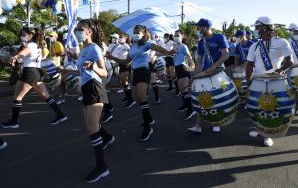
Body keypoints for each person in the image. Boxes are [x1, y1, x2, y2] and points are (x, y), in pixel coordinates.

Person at [63, 19, 114, 183]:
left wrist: (93, 67)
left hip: (94, 87)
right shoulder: (83, 49)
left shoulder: (94, 48)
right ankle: (107, 137)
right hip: (86, 87)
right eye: (76, 29)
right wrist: (64, 70)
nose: (77, 31)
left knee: (92, 127)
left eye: (80, 29)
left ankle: (102, 167)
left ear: (89, 31)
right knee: (90, 126)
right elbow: (81, 72)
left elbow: (104, 73)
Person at [107, 25, 175, 141]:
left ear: (144, 33)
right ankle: (149, 118)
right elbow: (126, 61)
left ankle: (148, 127)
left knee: (141, 97)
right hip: (135, 72)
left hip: (144, 71)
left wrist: (169, 52)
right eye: (134, 32)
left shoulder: (147, 44)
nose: (135, 34)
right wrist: (112, 57)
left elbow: (157, 48)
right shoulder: (133, 46)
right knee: (137, 99)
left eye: (138, 32)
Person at [1, 28, 68, 129]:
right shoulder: (37, 45)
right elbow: (25, 56)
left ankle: (14, 122)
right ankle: (61, 115)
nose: (22, 35)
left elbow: (24, 53)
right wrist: (18, 57)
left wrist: (16, 56)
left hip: (29, 73)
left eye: (24, 34)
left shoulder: (31, 45)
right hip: (36, 72)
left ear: (31, 35)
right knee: (46, 96)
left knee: (17, 98)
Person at [246, 16, 293, 147]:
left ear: (265, 27)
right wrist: (248, 80)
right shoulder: (254, 46)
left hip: (276, 81)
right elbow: (249, 65)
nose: (255, 30)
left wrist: (279, 71)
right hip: (258, 80)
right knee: (257, 108)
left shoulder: (281, 42)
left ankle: (268, 135)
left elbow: (290, 61)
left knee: (272, 109)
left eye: (257, 27)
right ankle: (260, 129)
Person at [188, 18, 229, 134]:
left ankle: (217, 122)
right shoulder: (201, 42)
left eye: (199, 27)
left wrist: (214, 66)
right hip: (205, 72)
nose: (197, 29)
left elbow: (226, 55)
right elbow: (199, 61)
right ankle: (198, 125)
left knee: (219, 97)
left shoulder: (219, 37)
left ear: (205, 27)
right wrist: (194, 76)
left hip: (219, 72)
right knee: (202, 97)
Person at [173, 30, 196, 120]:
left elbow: (189, 56)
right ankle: (185, 105)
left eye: (177, 35)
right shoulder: (176, 46)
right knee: (181, 89)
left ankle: (190, 110)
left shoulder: (183, 46)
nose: (176, 37)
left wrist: (190, 61)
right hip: (177, 68)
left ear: (182, 36)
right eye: (175, 35)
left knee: (184, 90)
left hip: (183, 68)